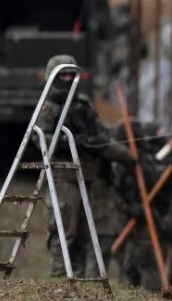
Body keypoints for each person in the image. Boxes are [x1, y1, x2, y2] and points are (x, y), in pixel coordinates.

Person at [34, 54, 136, 278]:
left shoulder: (83, 103)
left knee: (82, 232)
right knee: (64, 228)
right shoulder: (48, 106)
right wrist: (72, 141)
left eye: (72, 74)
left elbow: (100, 133)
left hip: (86, 175)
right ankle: (61, 276)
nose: (69, 79)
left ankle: (76, 276)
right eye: (63, 75)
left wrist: (100, 143)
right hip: (62, 175)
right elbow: (41, 138)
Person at [111, 118, 172, 292]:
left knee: (156, 274)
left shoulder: (143, 160)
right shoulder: (120, 163)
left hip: (149, 225)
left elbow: (157, 183)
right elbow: (115, 192)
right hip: (129, 228)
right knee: (135, 274)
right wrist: (129, 209)